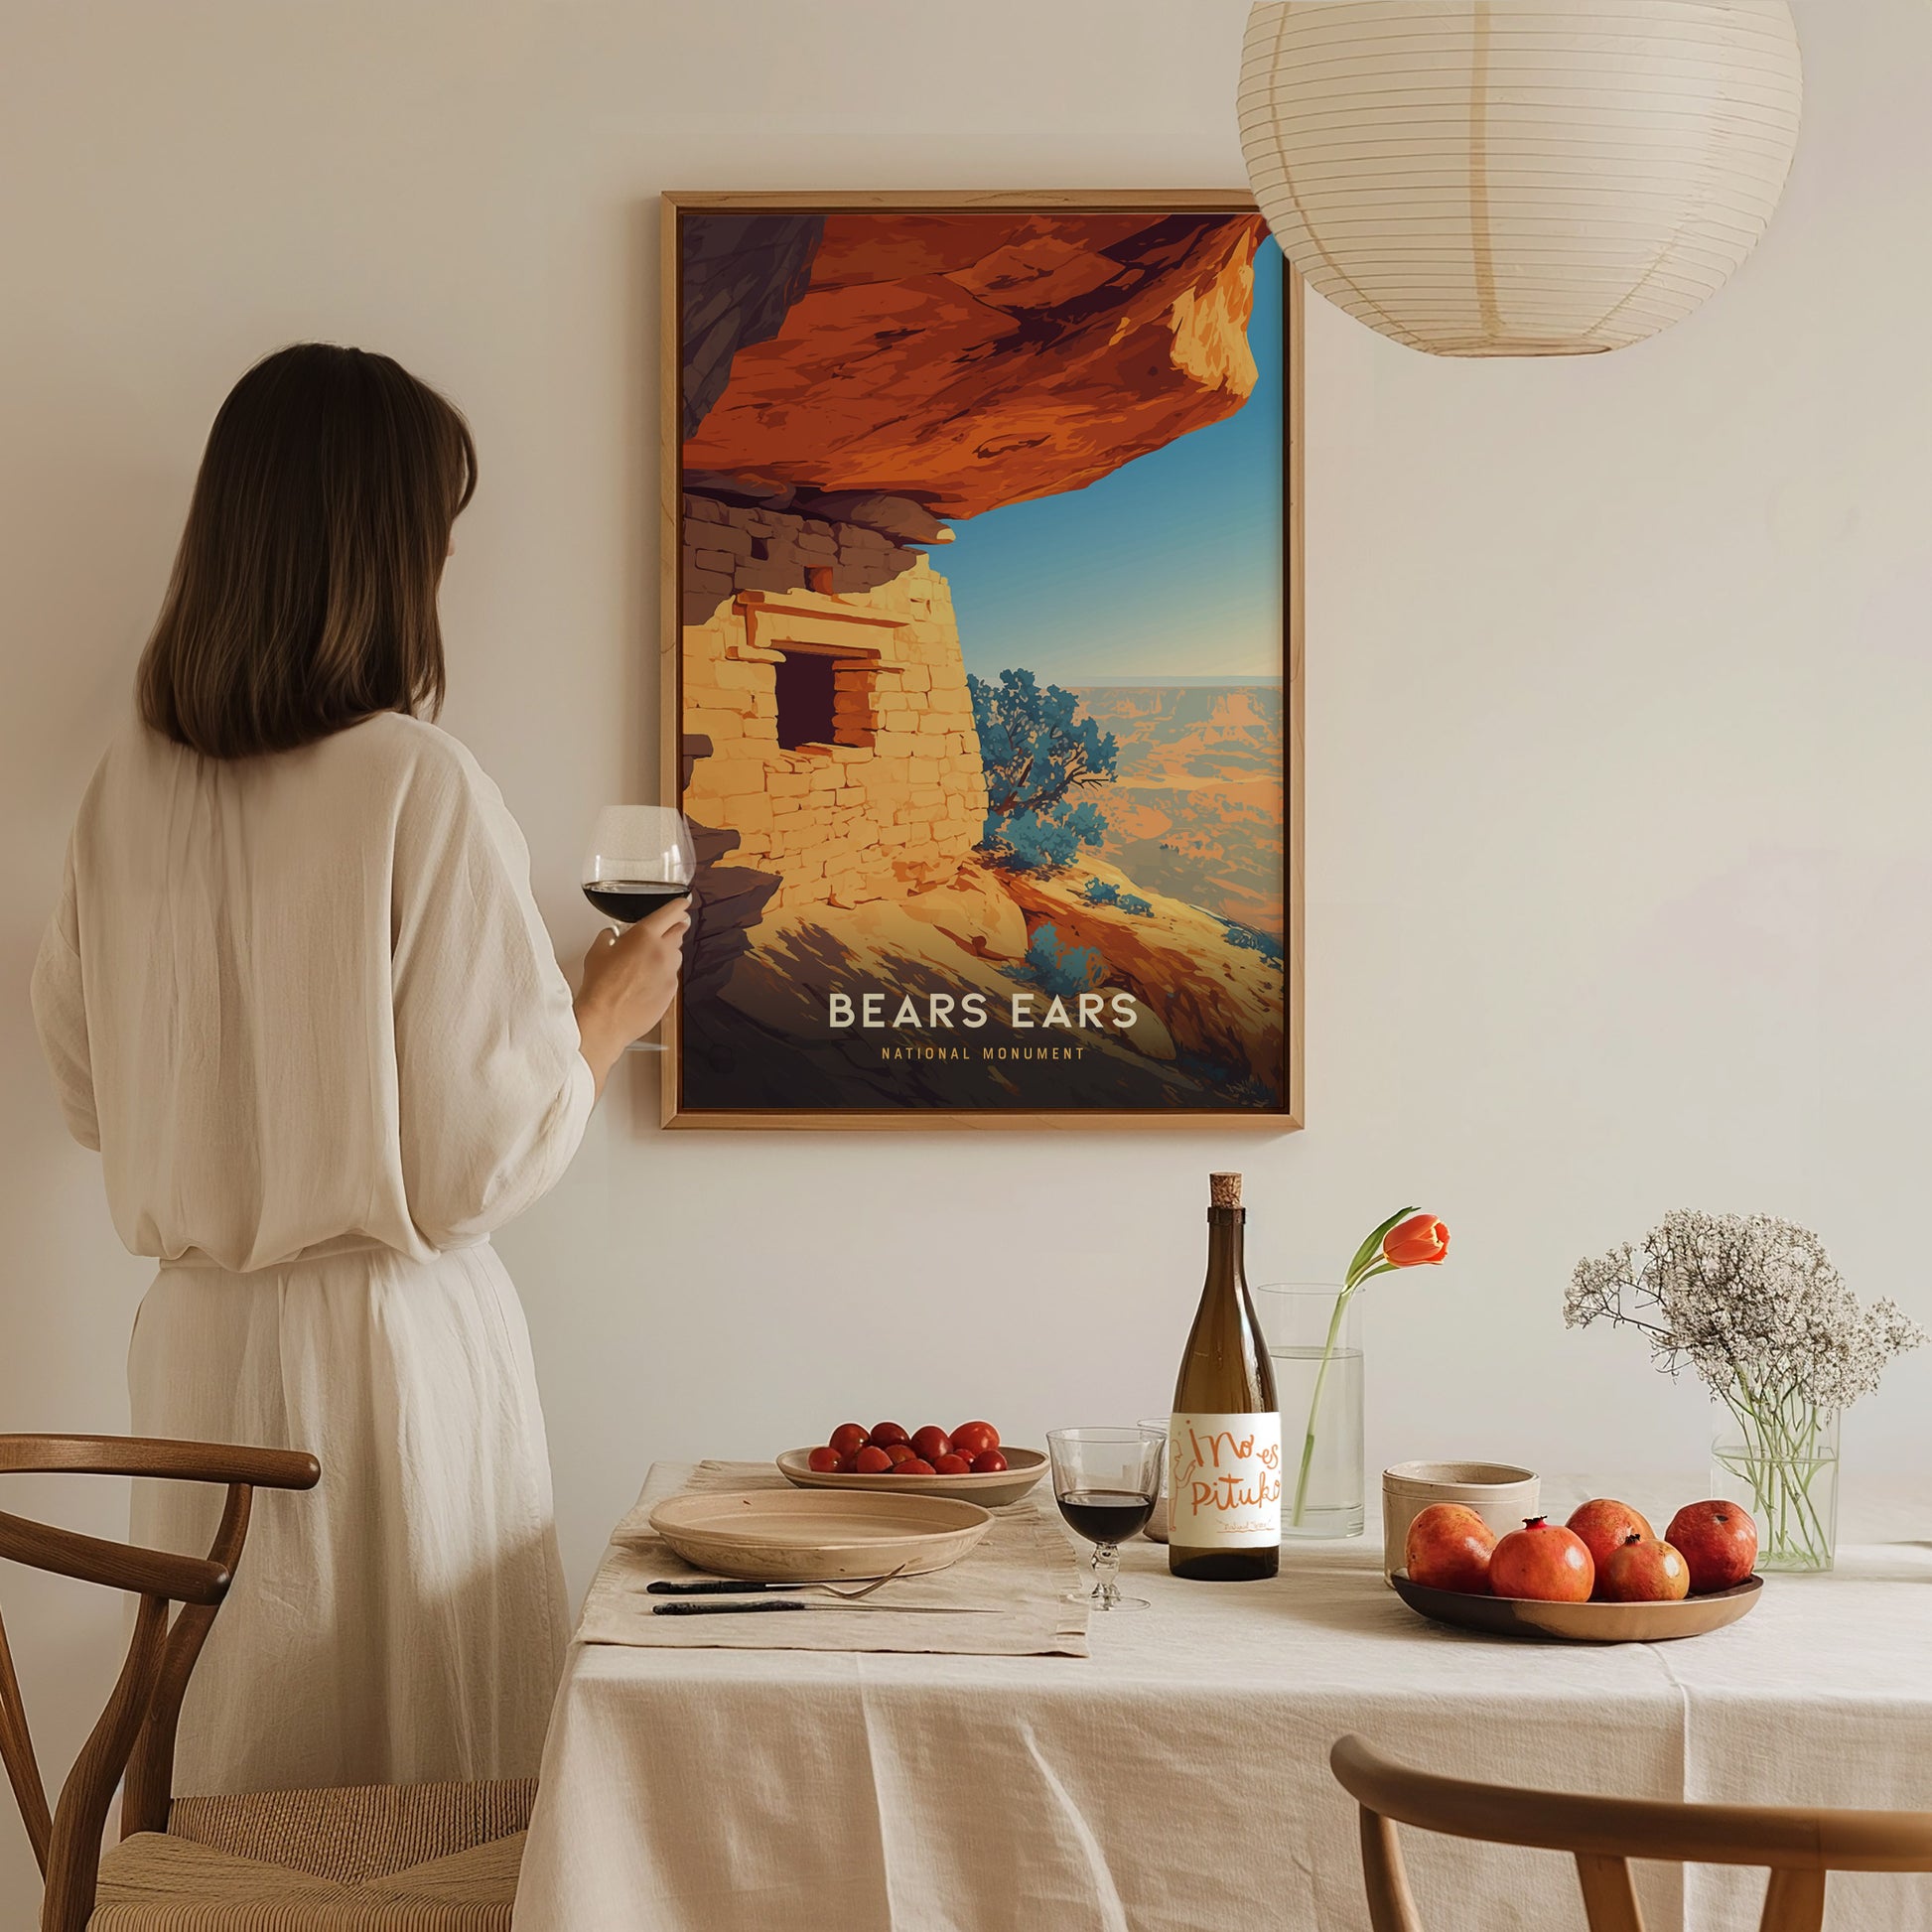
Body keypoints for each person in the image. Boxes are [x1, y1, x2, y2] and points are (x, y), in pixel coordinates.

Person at [29, 343, 684, 1793]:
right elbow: (470, 1167)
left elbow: (87, 1092)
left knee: (236, 1770)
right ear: (385, 550)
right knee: (424, 1793)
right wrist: (601, 1016)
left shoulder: (124, 792)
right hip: (387, 1360)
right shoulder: (415, 780)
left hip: (196, 1353)